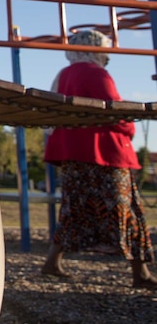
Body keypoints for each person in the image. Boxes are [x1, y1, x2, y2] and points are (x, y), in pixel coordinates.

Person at [40, 29, 156, 288]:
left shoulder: (64, 75)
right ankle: (142, 273)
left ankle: (52, 261)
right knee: (127, 212)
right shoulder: (96, 73)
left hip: (72, 154)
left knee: (73, 209)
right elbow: (113, 109)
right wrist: (130, 128)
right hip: (104, 154)